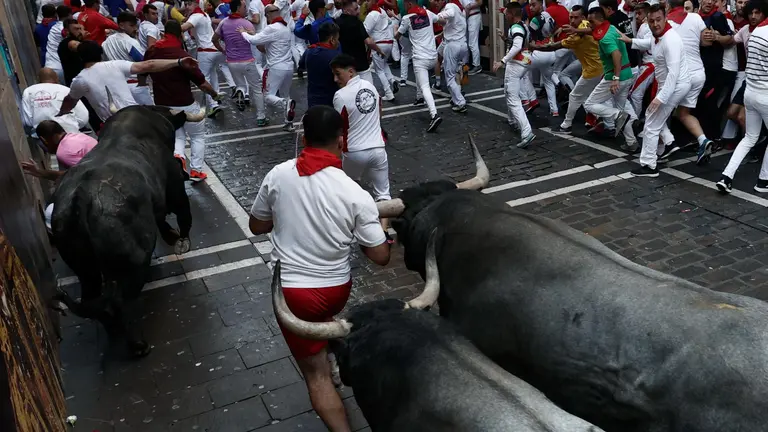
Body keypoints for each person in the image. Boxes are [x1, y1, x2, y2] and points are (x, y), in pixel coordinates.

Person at [249, 105, 390, 432]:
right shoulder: (355, 193)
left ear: (303, 138)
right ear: (341, 141)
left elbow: (257, 226)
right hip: (336, 289)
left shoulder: (278, 175)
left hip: (295, 295)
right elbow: (380, 256)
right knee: (321, 323)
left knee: (316, 377)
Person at [145, 20, 219, 182]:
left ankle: (179, 156)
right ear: (180, 34)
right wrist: (214, 95)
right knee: (197, 136)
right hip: (185, 103)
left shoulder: (152, 51)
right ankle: (196, 171)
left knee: (177, 135)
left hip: (163, 104)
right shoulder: (182, 55)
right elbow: (202, 83)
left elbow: (143, 72)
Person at [57, 40, 200, 123]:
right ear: (100, 54)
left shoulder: (80, 80)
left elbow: (69, 101)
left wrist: (61, 113)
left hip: (111, 125)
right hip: (135, 116)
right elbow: (148, 65)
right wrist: (178, 62)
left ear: (80, 58)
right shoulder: (115, 65)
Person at [624, 3, 691, 177]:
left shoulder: (670, 40)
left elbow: (673, 74)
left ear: (665, 18)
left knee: (652, 122)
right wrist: (630, 40)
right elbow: (649, 43)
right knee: (655, 121)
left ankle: (649, 164)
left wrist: (660, 98)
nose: (655, 24)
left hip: (675, 85)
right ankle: (663, 149)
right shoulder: (659, 37)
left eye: (658, 20)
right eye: (652, 21)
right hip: (672, 85)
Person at [331, 54, 393, 231]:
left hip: (354, 151)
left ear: (350, 72)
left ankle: (353, 225)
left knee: (349, 188)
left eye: (338, 74)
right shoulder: (371, 87)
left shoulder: (340, 96)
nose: (335, 79)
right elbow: (379, 113)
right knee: (383, 193)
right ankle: (384, 231)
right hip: (378, 147)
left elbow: (339, 126)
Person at [716, 0, 768, 193]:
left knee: (749, 137)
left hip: (751, 91)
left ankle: (726, 176)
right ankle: (763, 181)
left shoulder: (755, 32)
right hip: (764, 93)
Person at [531, 4, 603, 134]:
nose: (572, 21)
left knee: (576, 96)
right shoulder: (585, 26)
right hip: (595, 68)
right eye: (571, 17)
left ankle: (567, 125)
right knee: (589, 98)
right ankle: (598, 121)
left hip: (593, 71)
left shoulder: (577, 36)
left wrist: (535, 47)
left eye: (576, 17)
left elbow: (553, 47)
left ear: (583, 17)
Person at [583, 2, 639, 151]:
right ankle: (631, 143)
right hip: (627, 74)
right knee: (622, 110)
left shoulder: (605, 38)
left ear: (600, 20)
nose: (590, 25)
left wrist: (615, 79)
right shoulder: (612, 28)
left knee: (589, 104)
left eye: (592, 22)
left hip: (615, 77)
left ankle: (616, 115)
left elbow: (617, 54)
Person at [667, 0, 715, 164]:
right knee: (683, 113)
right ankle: (703, 141)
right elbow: (707, 42)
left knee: (660, 110)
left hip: (681, 75)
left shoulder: (666, 21)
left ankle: (666, 145)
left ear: (668, 5)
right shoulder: (696, 17)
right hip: (698, 73)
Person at [238, 2, 296, 130]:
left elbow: (253, 41)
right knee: (285, 94)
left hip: (276, 67)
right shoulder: (285, 27)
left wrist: (243, 33)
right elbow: (266, 46)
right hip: (289, 67)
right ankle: (288, 123)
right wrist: (253, 35)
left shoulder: (272, 28)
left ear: (268, 15)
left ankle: (284, 104)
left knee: (268, 96)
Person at [493, 2, 535, 148]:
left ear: (511, 14)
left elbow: (517, 46)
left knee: (512, 98)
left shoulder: (516, 27)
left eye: (506, 13)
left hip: (516, 64)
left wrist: (502, 61)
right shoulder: (522, 25)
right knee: (509, 92)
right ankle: (513, 121)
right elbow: (518, 43)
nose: (505, 16)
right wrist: (505, 38)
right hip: (524, 62)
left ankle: (526, 132)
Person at [395, 0, 442, 132]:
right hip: (433, 56)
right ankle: (419, 97)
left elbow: (397, 35)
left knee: (425, 86)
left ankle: (434, 114)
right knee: (420, 78)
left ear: (409, 4)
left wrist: (395, 29)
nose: (404, 6)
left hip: (420, 58)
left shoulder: (406, 18)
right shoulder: (428, 13)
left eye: (405, 3)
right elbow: (441, 19)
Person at [183, 0, 229, 118]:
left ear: (196, 4)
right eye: (186, 4)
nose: (186, 7)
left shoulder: (196, 15)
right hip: (214, 50)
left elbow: (184, 27)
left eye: (189, 4)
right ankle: (217, 98)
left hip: (205, 51)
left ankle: (213, 105)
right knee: (213, 76)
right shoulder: (205, 15)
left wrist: (170, 29)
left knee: (204, 80)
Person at [102, 11, 154, 105]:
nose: (135, 29)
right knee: (149, 112)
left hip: (117, 87)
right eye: (132, 26)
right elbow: (143, 64)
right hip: (135, 85)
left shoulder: (106, 42)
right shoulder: (130, 41)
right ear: (121, 25)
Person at [21, 120, 97, 182]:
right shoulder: (79, 136)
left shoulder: (63, 152)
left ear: (43, 140)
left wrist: (39, 172)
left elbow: (81, 175)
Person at [22, 68, 89, 136]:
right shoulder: (66, 90)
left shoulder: (28, 91)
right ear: (57, 78)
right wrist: (73, 126)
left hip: (43, 137)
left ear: (38, 79)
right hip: (69, 134)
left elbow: (27, 121)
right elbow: (83, 117)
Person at [336, 0, 384, 84]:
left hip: (346, 65)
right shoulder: (357, 22)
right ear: (347, 10)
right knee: (368, 88)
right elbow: (368, 41)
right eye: (355, 9)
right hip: (361, 64)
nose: (358, 11)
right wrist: (379, 50)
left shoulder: (336, 22)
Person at [434, 0, 468, 112]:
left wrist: (436, 16)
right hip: (463, 44)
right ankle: (455, 98)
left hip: (453, 45)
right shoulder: (461, 10)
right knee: (456, 73)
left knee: (450, 77)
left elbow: (449, 13)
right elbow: (451, 24)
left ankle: (460, 102)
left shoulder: (450, 6)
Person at [364, 0, 400, 101]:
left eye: (368, 1)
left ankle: (388, 93)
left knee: (379, 70)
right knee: (384, 65)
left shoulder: (372, 15)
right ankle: (392, 80)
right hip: (388, 42)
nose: (366, 3)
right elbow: (389, 22)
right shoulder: (382, 11)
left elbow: (365, 31)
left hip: (379, 43)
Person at [301, 21, 341, 107]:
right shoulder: (336, 56)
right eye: (337, 39)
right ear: (332, 40)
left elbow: (301, 65)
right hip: (331, 102)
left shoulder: (309, 51)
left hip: (313, 101)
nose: (338, 42)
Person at [45, 5, 73, 83]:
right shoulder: (65, 29)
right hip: (60, 67)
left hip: (48, 67)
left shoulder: (53, 28)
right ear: (69, 15)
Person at [463, 0, 483, 74]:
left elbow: (480, 2)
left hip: (473, 15)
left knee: (472, 43)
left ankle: (477, 65)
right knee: (466, 42)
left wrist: (469, 7)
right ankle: (466, 63)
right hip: (466, 17)